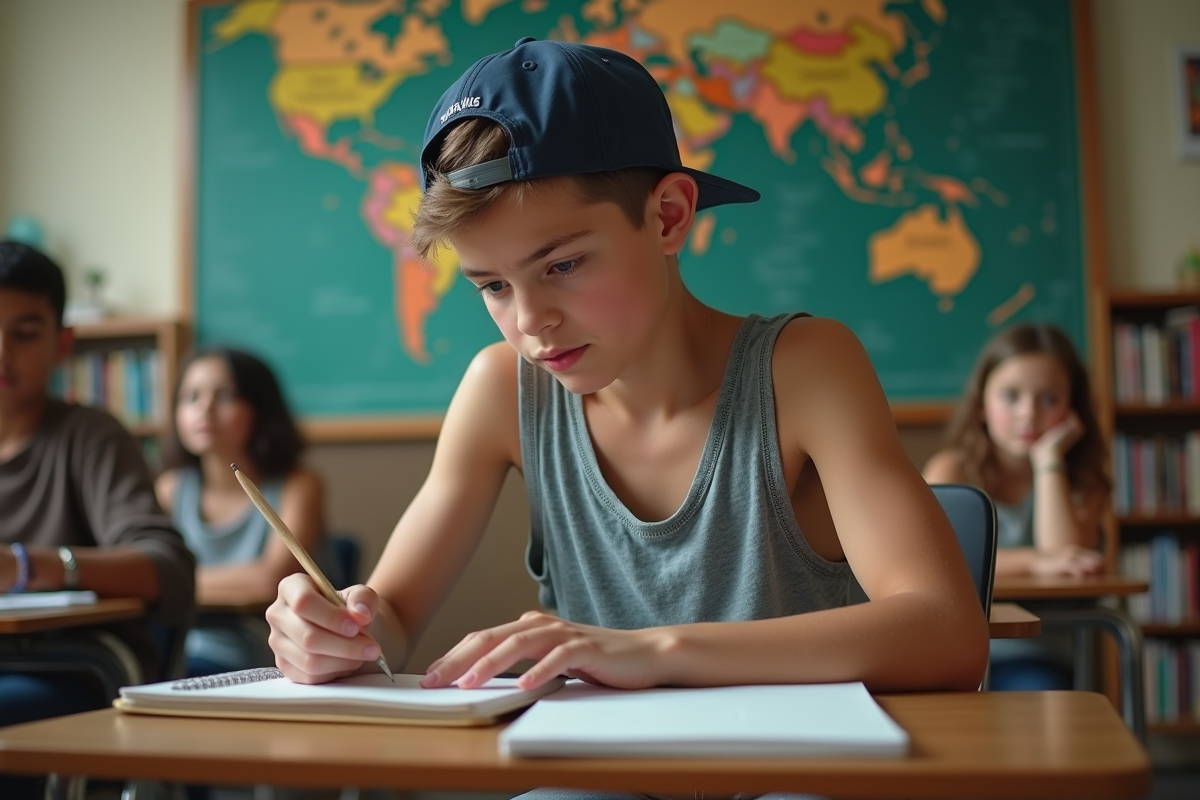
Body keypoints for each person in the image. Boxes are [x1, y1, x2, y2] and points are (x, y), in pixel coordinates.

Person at [266, 38, 987, 708]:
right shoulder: (499, 393)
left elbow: (947, 632)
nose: (530, 321)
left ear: (670, 217)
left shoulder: (805, 371)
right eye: (492, 286)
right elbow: (388, 620)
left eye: (564, 265)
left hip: (792, 767)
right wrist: (336, 638)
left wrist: (655, 651)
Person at [0, 240, 196, 798]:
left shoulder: (90, 438)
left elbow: (169, 568)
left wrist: (23, 567)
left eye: (25, 332)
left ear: (63, 344)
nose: (1, 351)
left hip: (73, 670)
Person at [923, 322, 1110, 690]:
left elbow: (1066, 558)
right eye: (1011, 396)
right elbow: (937, 563)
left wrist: (1048, 462)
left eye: (1049, 399)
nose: (1028, 413)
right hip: (953, 655)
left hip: (1039, 658)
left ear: (1073, 409)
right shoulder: (951, 469)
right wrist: (1035, 561)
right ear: (981, 405)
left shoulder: (1082, 479)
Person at [156, 346, 324, 677]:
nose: (204, 409)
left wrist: (170, 583)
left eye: (225, 396)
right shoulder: (169, 489)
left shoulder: (298, 485)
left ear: (259, 408)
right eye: (190, 397)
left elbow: (270, 579)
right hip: (178, 645)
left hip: (271, 652)